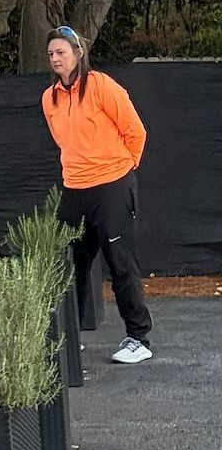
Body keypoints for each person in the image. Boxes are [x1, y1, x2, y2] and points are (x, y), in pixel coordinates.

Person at [41, 25, 153, 365]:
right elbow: (63, 141)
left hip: (112, 186)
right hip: (74, 189)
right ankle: (68, 338)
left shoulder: (102, 85)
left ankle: (138, 338)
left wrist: (123, 169)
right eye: (51, 54)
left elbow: (135, 131)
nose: (55, 58)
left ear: (78, 54)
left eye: (61, 52)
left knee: (120, 262)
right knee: (68, 264)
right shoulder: (49, 98)